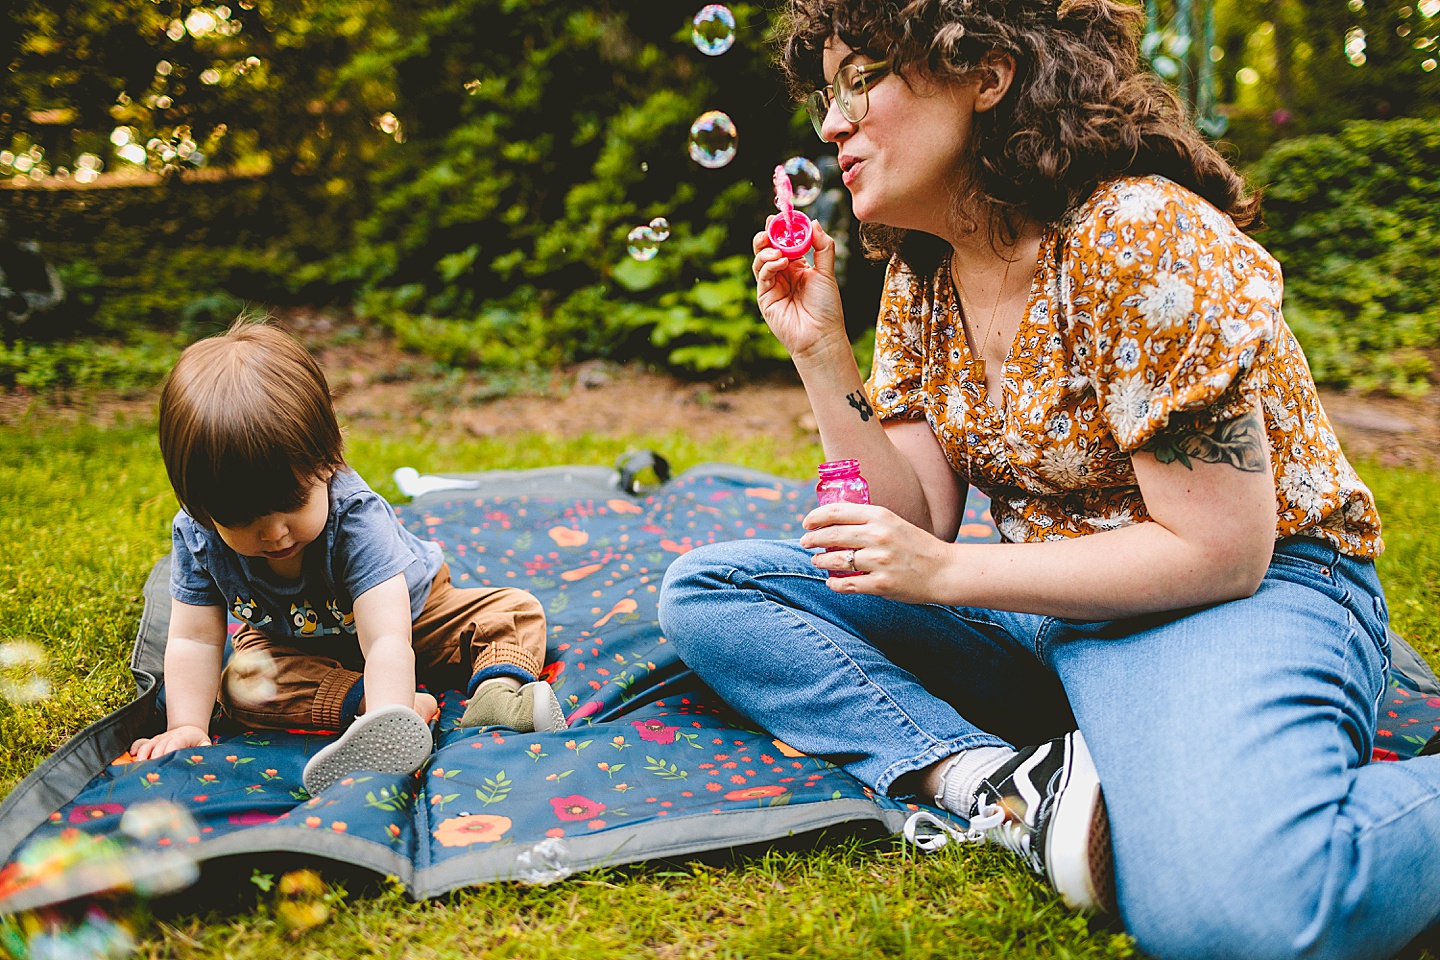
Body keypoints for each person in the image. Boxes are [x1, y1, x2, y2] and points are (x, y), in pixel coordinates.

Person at [659, 1, 1439, 957]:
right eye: (827, 93)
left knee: (1247, 916)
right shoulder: (924, 271)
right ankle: (997, 789)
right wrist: (824, 352)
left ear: (987, 74)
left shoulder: (1139, 236)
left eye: (863, 78)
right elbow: (917, 520)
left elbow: (1223, 554)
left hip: (1233, 597)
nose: (831, 122)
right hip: (1053, 608)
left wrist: (946, 580)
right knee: (715, 588)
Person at [130, 320, 565, 795]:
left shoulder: (356, 517)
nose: (275, 533)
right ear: (200, 506)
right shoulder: (197, 534)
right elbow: (194, 641)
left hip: (412, 618)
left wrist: (390, 711)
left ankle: (496, 695)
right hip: (293, 644)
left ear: (328, 459)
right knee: (238, 682)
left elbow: (386, 639)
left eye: (293, 504)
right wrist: (188, 725)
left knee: (514, 610)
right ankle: (362, 707)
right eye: (244, 521)